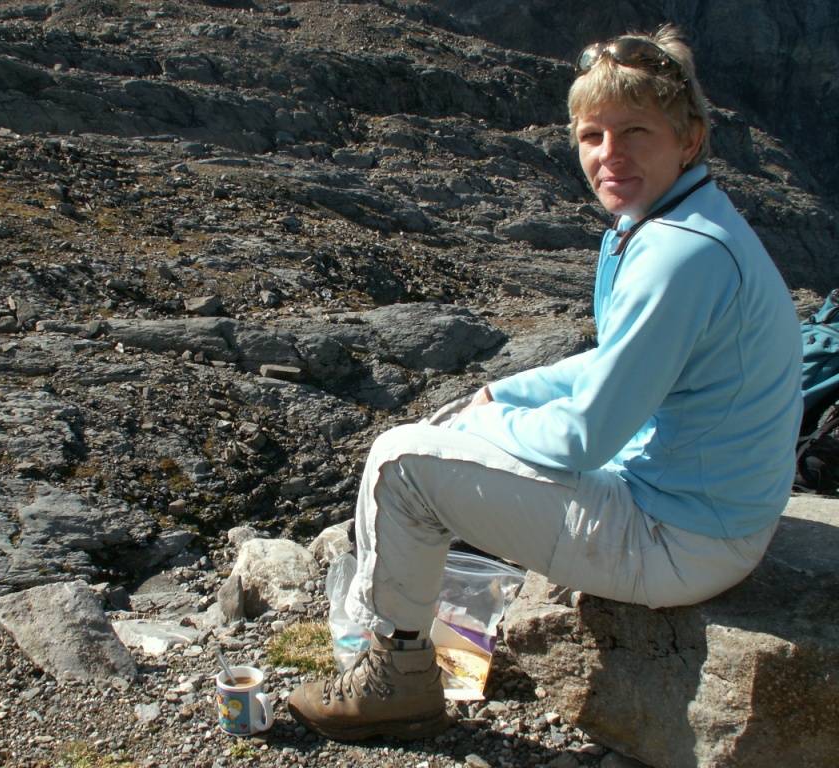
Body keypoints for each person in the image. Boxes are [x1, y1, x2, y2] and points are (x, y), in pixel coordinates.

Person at [287, 25, 803, 742]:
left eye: (635, 132)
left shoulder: (676, 255)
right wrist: (505, 395)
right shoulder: (683, 221)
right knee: (462, 425)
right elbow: (616, 361)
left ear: (689, 140)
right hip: (714, 510)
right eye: (593, 135)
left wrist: (476, 425)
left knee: (400, 462)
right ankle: (419, 635)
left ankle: (395, 680)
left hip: (680, 539)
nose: (609, 154)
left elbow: (584, 437)